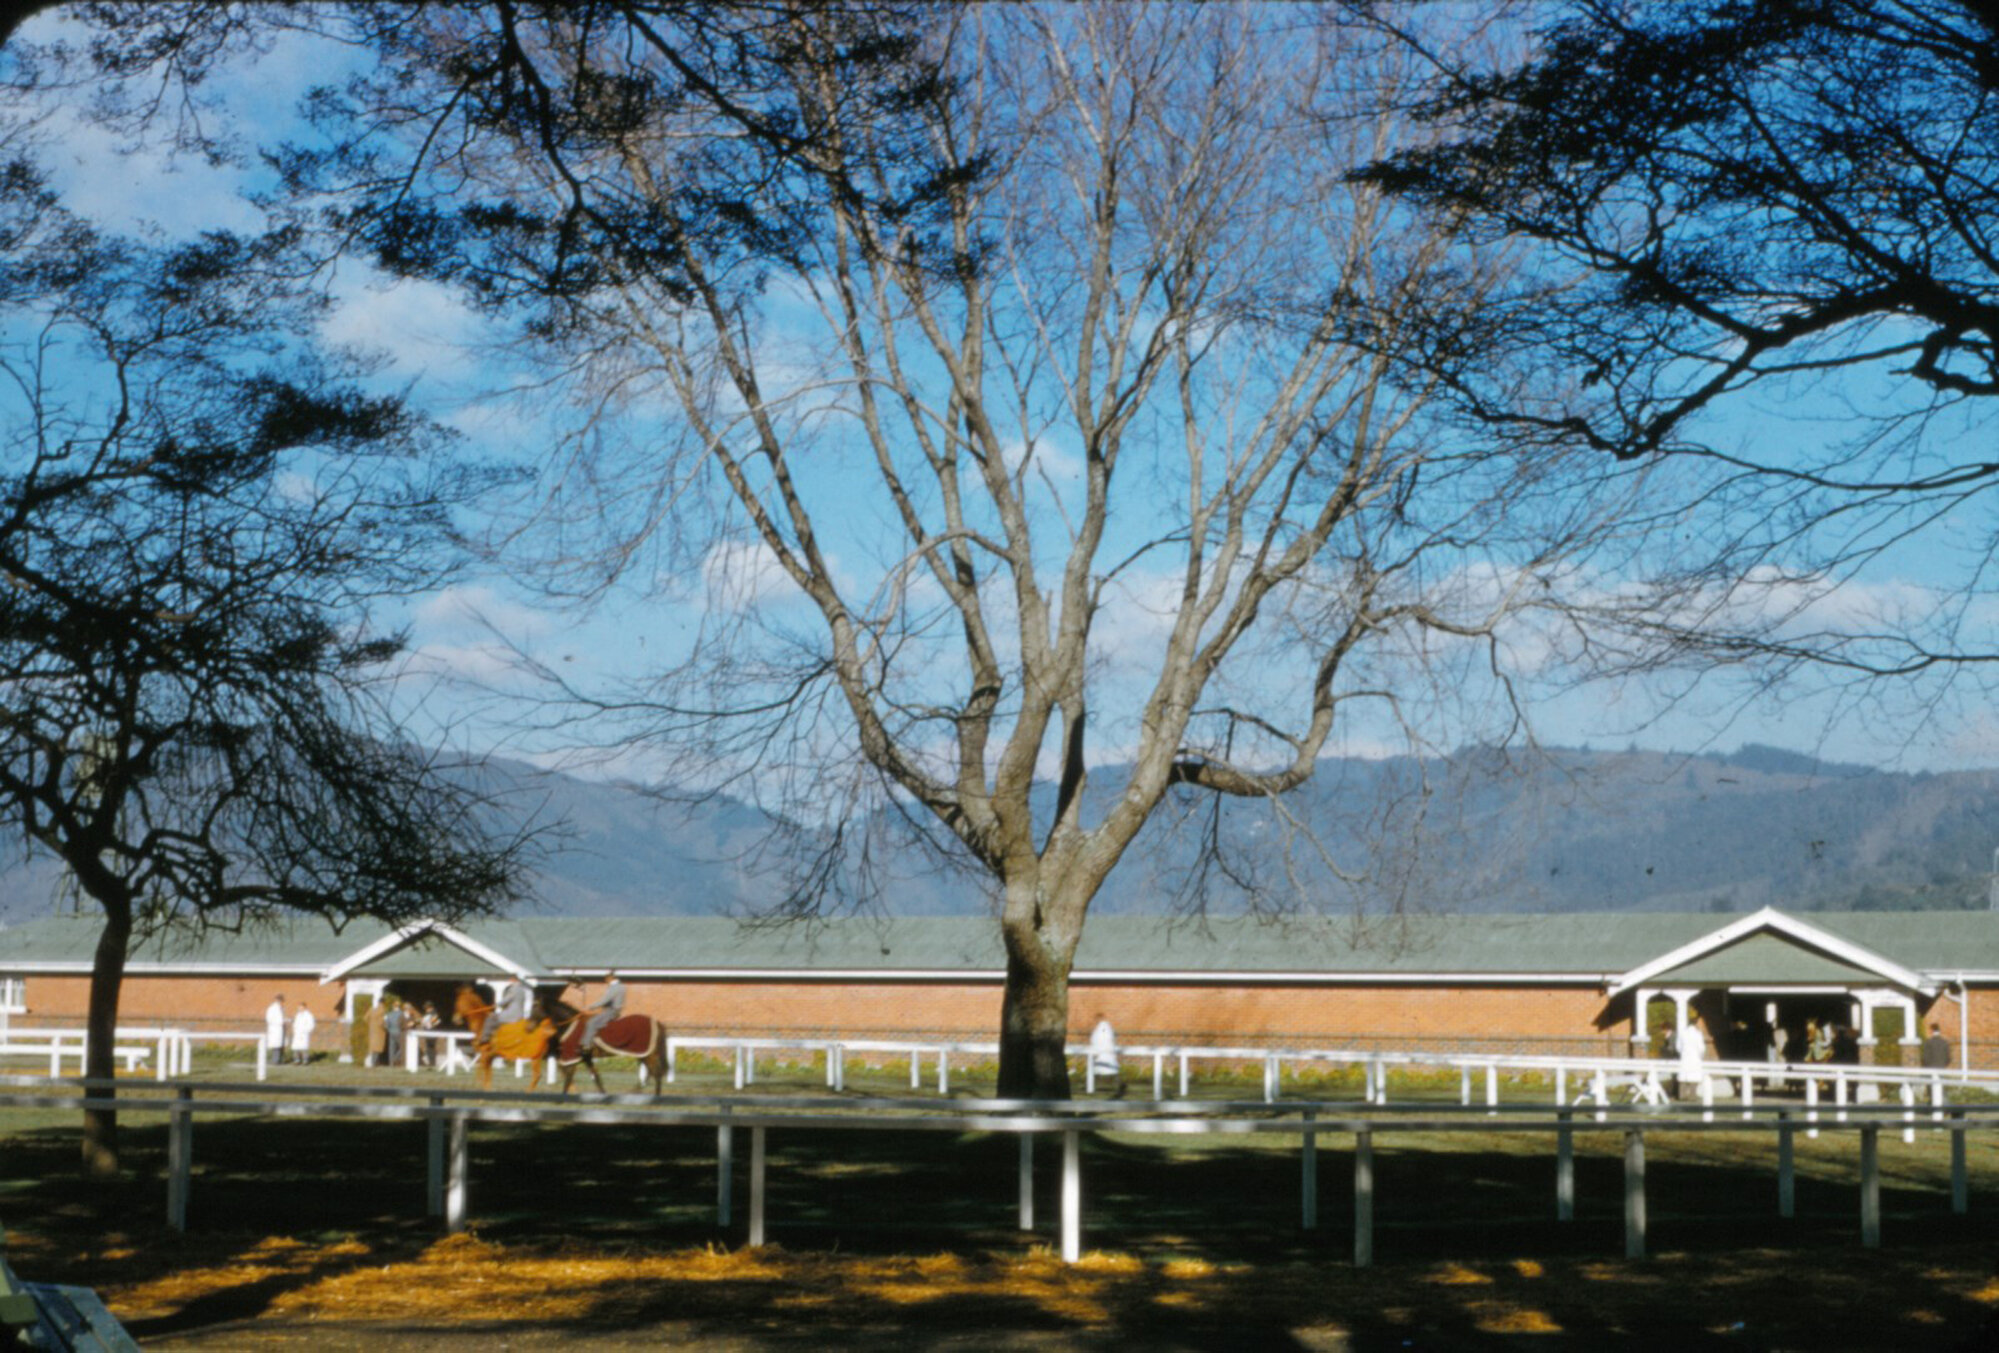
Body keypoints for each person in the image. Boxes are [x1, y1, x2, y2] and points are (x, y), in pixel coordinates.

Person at [579, 971, 626, 1047]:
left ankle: (586, 1046)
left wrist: (589, 1007)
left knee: (591, 1022)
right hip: (609, 1010)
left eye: (606, 978)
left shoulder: (616, 987)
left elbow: (604, 1000)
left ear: (610, 978)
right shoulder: (618, 986)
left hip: (611, 1011)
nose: (605, 980)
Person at [480, 976, 530, 1047]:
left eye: (511, 980)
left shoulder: (514, 989)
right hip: (519, 1015)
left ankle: (485, 1038)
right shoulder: (522, 990)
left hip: (511, 1015)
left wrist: (496, 1005)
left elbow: (506, 1000)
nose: (510, 981)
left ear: (514, 980)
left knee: (490, 1018)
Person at [1088, 1013, 1124, 1098]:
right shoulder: (1107, 1028)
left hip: (1103, 1053)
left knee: (1102, 1070)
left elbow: (1097, 1039)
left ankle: (1091, 1086)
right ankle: (1093, 1086)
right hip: (1106, 1053)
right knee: (1108, 1070)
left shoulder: (1101, 1029)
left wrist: (1096, 1049)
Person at [383, 998, 407, 1069]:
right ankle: (396, 1058)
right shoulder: (402, 1014)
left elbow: (386, 1025)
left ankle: (391, 1063)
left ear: (393, 1006)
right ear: (399, 1006)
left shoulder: (389, 1014)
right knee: (402, 1047)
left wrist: (389, 1030)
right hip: (399, 1032)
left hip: (391, 1032)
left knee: (391, 1048)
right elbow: (403, 1023)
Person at [290, 1002, 316, 1066]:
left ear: (304, 1007)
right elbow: (295, 1024)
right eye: (299, 1007)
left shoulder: (308, 1015)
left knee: (304, 1048)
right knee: (296, 1048)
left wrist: (305, 1031)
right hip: (297, 1033)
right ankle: (297, 1060)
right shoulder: (298, 1015)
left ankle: (305, 1060)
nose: (300, 1008)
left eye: (301, 1007)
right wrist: (294, 1029)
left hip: (304, 1034)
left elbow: (311, 1025)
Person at [365, 997, 388, 1067]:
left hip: (371, 1031)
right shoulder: (383, 1010)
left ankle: (370, 1062)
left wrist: (370, 1024)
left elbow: (365, 1018)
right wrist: (385, 1027)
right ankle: (373, 1063)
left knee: (372, 1047)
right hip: (379, 1031)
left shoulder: (371, 1009)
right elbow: (382, 1022)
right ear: (384, 1003)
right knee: (377, 1048)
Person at [418, 1001, 441, 1068]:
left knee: (431, 1048)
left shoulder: (434, 1013)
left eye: (427, 1008)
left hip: (432, 1032)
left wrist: (429, 1022)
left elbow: (436, 1022)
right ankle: (431, 1062)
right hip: (427, 1032)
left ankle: (432, 1063)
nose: (426, 1009)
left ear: (430, 1007)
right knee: (429, 1048)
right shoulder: (426, 1014)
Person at [265, 995, 287, 1063]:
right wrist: (280, 1022)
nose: (281, 1002)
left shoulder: (281, 1008)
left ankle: (279, 1060)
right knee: (275, 1046)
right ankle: (275, 1060)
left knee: (280, 1045)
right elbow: (269, 1019)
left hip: (281, 1029)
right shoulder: (272, 1008)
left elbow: (282, 1018)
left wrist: (284, 1021)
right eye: (280, 1001)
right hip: (275, 1029)